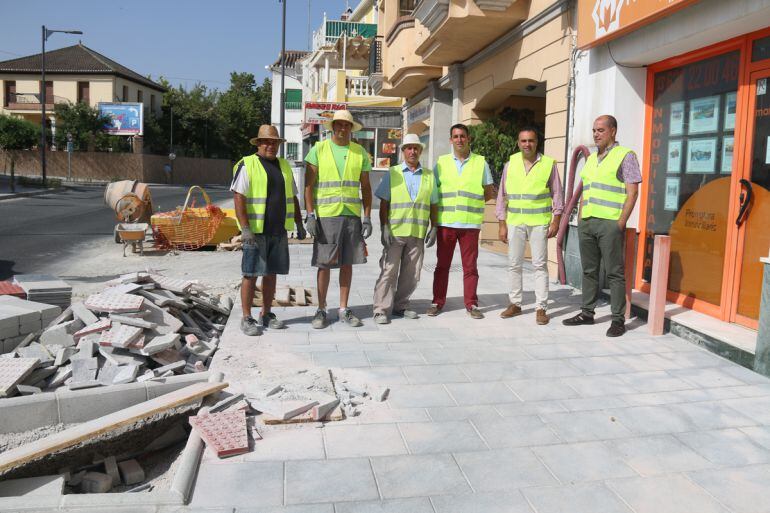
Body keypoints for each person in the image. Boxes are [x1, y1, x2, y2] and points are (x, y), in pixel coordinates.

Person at [563, 115, 641, 337]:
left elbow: (633, 192)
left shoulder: (625, 156)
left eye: (601, 130)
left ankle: (618, 320)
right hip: (587, 222)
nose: (596, 134)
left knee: (614, 273)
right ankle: (587, 313)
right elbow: (586, 190)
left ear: (613, 131)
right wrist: (579, 218)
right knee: (589, 271)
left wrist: (620, 222)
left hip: (610, 223)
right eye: (594, 130)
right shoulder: (591, 159)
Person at [231, 125, 306, 336]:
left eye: (273, 142)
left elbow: (293, 197)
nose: (270, 145)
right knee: (251, 274)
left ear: (278, 145)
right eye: (266, 142)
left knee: (271, 274)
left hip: (278, 229)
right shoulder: (248, 164)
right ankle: (247, 317)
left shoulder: (284, 166)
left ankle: (266, 313)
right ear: (258, 144)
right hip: (256, 231)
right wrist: (245, 229)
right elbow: (239, 197)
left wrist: (299, 224)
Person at [304, 110, 373, 328]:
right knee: (324, 264)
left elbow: (366, 187)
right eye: (339, 124)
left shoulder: (359, 152)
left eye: (347, 125)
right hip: (327, 216)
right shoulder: (319, 149)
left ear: (351, 128)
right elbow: (308, 186)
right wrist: (310, 214)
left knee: (347, 262)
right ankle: (321, 309)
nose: (343, 128)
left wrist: (368, 217)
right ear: (333, 127)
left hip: (351, 215)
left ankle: (343, 309)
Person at [497, 127, 564, 325]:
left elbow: (558, 194)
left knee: (539, 266)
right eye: (524, 141)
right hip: (515, 221)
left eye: (531, 141)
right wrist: (502, 224)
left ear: (537, 142)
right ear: (518, 143)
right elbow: (502, 196)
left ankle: (541, 307)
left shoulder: (548, 164)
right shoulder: (510, 164)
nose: (527, 144)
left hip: (539, 222)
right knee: (514, 264)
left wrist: (556, 220)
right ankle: (515, 304)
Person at [428, 123, 496, 319]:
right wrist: (433, 223)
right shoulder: (440, 164)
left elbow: (488, 191)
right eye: (455, 136)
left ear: (469, 139)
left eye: (462, 136)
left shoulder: (480, 163)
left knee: (470, 267)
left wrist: (470, 205)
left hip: (469, 224)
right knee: (442, 266)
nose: (459, 139)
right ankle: (437, 302)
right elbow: (434, 193)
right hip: (446, 223)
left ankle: (472, 304)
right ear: (451, 140)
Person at [372, 133, 438, 324]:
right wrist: (384, 226)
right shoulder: (393, 173)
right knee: (388, 271)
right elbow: (384, 203)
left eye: (416, 148)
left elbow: (434, 204)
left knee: (412, 274)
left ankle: (400, 305)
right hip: (395, 231)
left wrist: (434, 227)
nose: (412, 151)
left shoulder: (428, 176)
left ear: (420, 151)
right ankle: (380, 309)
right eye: (409, 148)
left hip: (417, 233)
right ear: (403, 151)